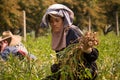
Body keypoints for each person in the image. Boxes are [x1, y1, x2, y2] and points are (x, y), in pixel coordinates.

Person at [41, 4, 99, 80]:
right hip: (68, 71)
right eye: (51, 21)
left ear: (63, 20)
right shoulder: (57, 34)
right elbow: (63, 59)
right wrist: (58, 67)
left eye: (57, 20)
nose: (54, 24)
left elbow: (93, 56)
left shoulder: (72, 31)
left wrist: (87, 50)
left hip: (84, 71)